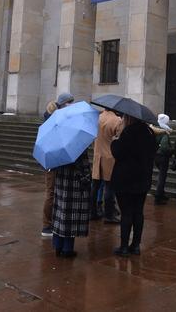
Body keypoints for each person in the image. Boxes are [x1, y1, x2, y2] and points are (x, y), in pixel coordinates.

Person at [110, 114, 156, 257]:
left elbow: (118, 153)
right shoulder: (149, 133)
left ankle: (124, 246)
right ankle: (135, 245)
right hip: (142, 179)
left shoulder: (128, 133)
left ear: (129, 119)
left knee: (126, 213)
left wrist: (114, 141)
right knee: (138, 212)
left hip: (125, 179)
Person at [51, 93, 90, 258]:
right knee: (70, 216)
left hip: (61, 180)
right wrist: (86, 176)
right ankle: (67, 249)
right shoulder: (77, 138)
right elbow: (83, 163)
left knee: (60, 212)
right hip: (74, 182)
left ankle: (57, 246)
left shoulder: (55, 135)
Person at [91, 109, 123, 223]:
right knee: (109, 187)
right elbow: (120, 139)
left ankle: (92, 212)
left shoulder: (97, 118)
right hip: (110, 158)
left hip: (97, 156)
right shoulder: (116, 120)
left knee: (95, 187)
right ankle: (109, 215)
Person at [41, 100, 58, 237]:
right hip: (52, 164)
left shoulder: (45, 125)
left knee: (51, 193)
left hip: (49, 163)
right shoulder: (50, 126)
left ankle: (49, 223)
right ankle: (46, 225)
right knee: (51, 194)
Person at [152, 114, 173, 205]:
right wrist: (171, 150)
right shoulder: (164, 132)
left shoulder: (155, 129)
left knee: (161, 176)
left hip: (155, 155)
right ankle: (158, 196)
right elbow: (164, 147)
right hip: (162, 157)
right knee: (162, 177)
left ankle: (162, 193)